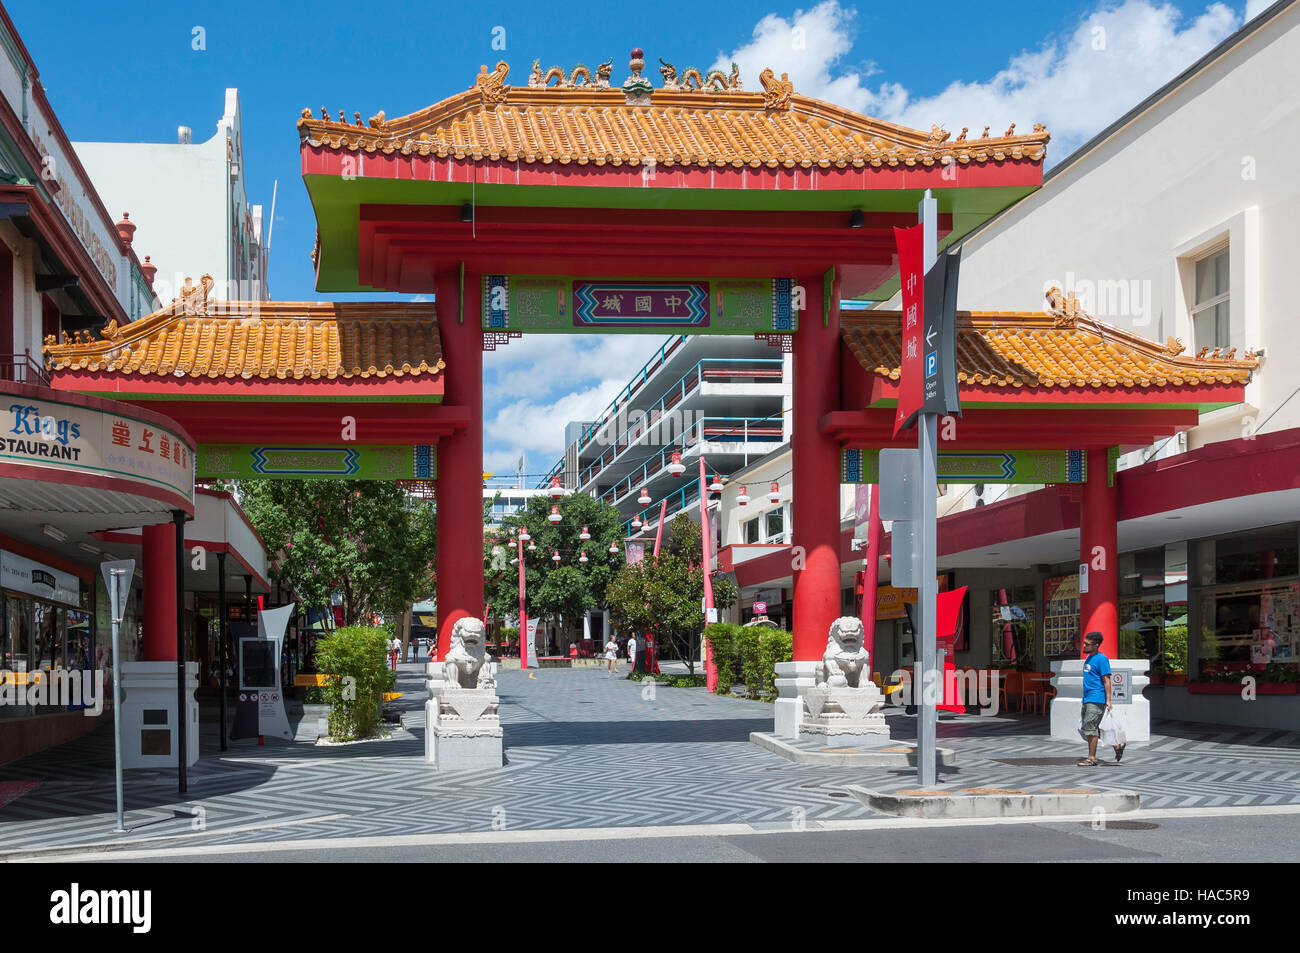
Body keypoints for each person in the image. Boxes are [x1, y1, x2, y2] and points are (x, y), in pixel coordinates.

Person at [1078, 630, 1119, 766]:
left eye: (1087, 644)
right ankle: (1117, 745)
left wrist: (1108, 700)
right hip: (1088, 698)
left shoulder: (1102, 659)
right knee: (1087, 727)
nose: (1084, 646)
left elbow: (1106, 680)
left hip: (1096, 698)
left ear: (1096, 645)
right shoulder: (1089, 658)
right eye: (1084, 643)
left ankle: (1091, 758)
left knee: (1091, 727)